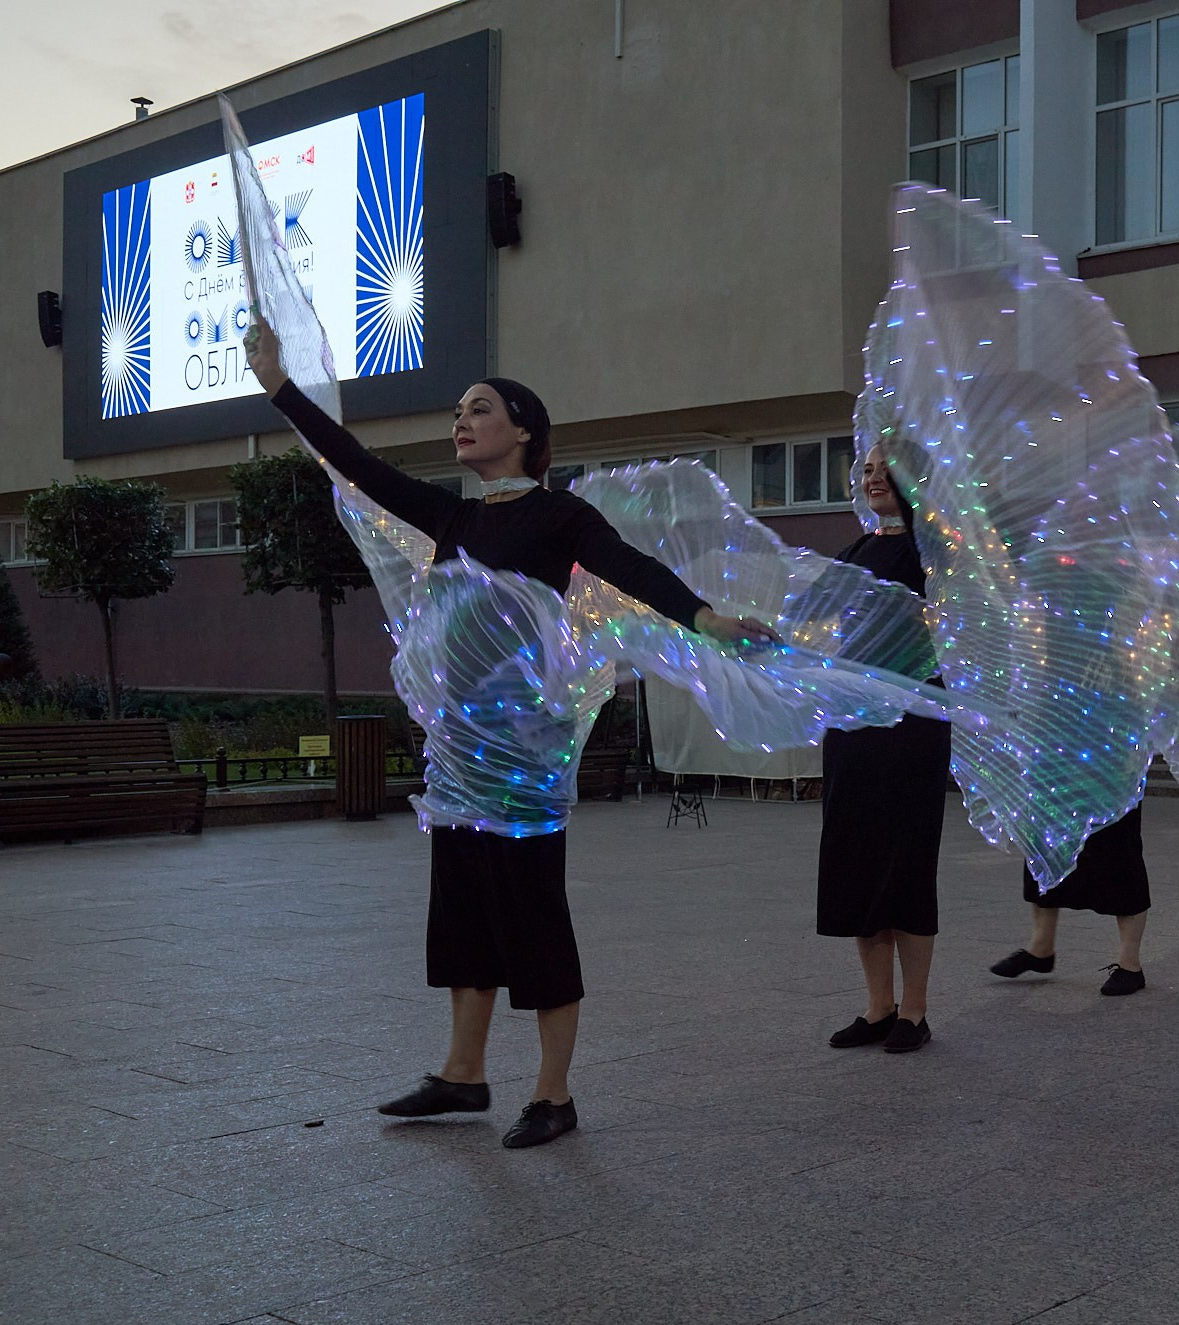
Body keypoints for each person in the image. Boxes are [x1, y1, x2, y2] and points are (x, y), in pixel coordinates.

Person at [245, 319, 772, 1149]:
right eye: (458, 411)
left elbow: (629, 569)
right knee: (460, 916)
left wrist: (704, 617)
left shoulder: (560, 516)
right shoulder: (454, 520)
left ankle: (554, 1093)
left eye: (479, 409)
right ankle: (462, 1073)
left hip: (523, 755)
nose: (461, 421)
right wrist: (280, 389)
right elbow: (358, 466)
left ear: (523, 430)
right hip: (458, 755)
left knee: (530, 913)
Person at [817, 448, 950, 1054]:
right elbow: (809, 615)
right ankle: (878, 1007)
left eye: (884, 467)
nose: (871, 477)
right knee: (857, 864)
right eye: (865, 469)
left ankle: (914, 1012)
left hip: (910, 728)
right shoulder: (855, 550)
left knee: (906, 865)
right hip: (853, 729)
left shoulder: (936, 553)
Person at [990, 804, 1151, 996]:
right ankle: (1041, 948)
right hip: (1054, 775)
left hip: (1111, 777)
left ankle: (1130, 964)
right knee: (1044, 847)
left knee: (1117, 848)